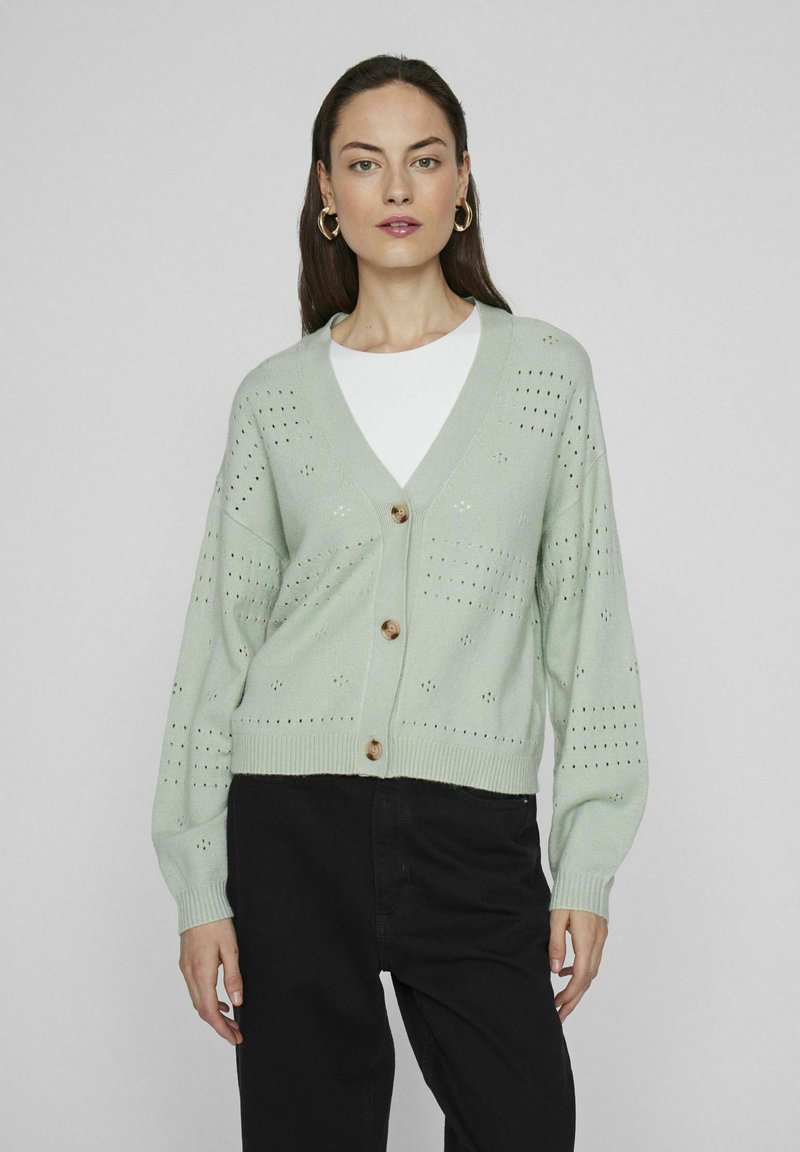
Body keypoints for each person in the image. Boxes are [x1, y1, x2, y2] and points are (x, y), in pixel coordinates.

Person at [151, 53, 649, 1152]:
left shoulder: (545, 376)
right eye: (364, 163)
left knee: (523, 1125)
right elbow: (218, 641)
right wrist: (200, 888)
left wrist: (587, 861)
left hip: (472, 828)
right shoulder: (276, 398)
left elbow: (588, 624)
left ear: (461, 181)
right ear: (325, 190)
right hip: (290, 827)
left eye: (422, 161)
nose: (395, 188)